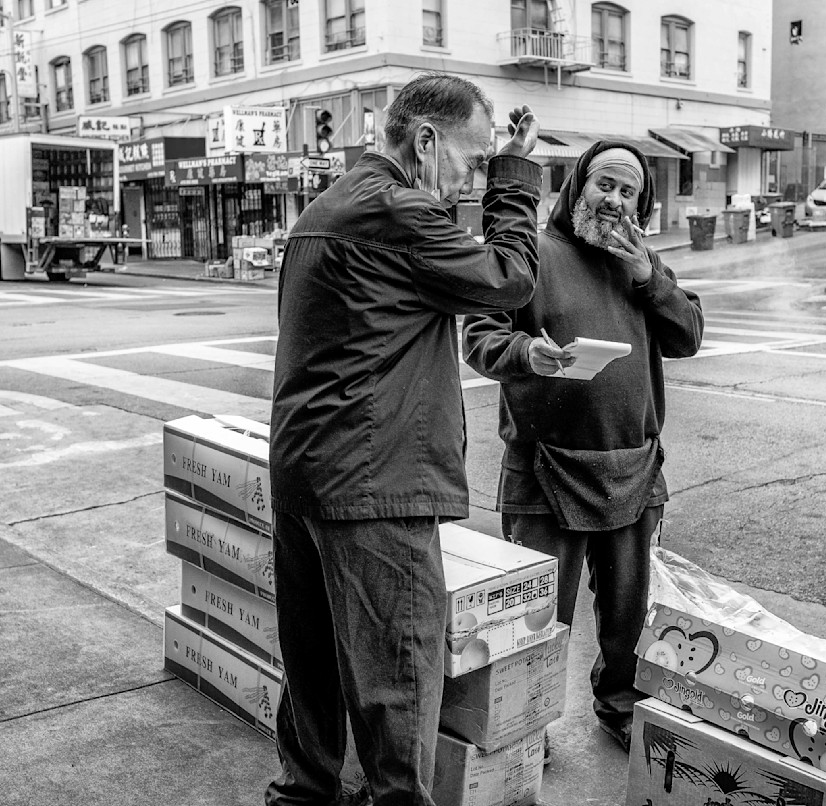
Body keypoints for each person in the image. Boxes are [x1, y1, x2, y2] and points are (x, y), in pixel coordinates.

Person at [266, 73, 543, 806]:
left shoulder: (337, 203)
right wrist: (516, 181)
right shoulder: (397, 208)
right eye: (474, 159)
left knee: (316, 669)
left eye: (487, 167)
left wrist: (497, 167)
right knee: (400, 682)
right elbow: (510, 278)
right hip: (374, 481)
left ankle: (303, 793)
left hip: (310, 474)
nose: (473, 177)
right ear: (424, 140)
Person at [462, 142, 704, 754]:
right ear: (577, 188)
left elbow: (688, 336)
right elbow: (481, 336)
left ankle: (619, 704)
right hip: (545, 469)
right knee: (537, 617)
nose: (615, 201)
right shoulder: (534, 258)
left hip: (633, 465)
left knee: (628, 612)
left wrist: (651, 279)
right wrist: (527, 355)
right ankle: (524, 724)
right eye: (604, 185)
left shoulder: (644, 264)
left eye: (628, 192)